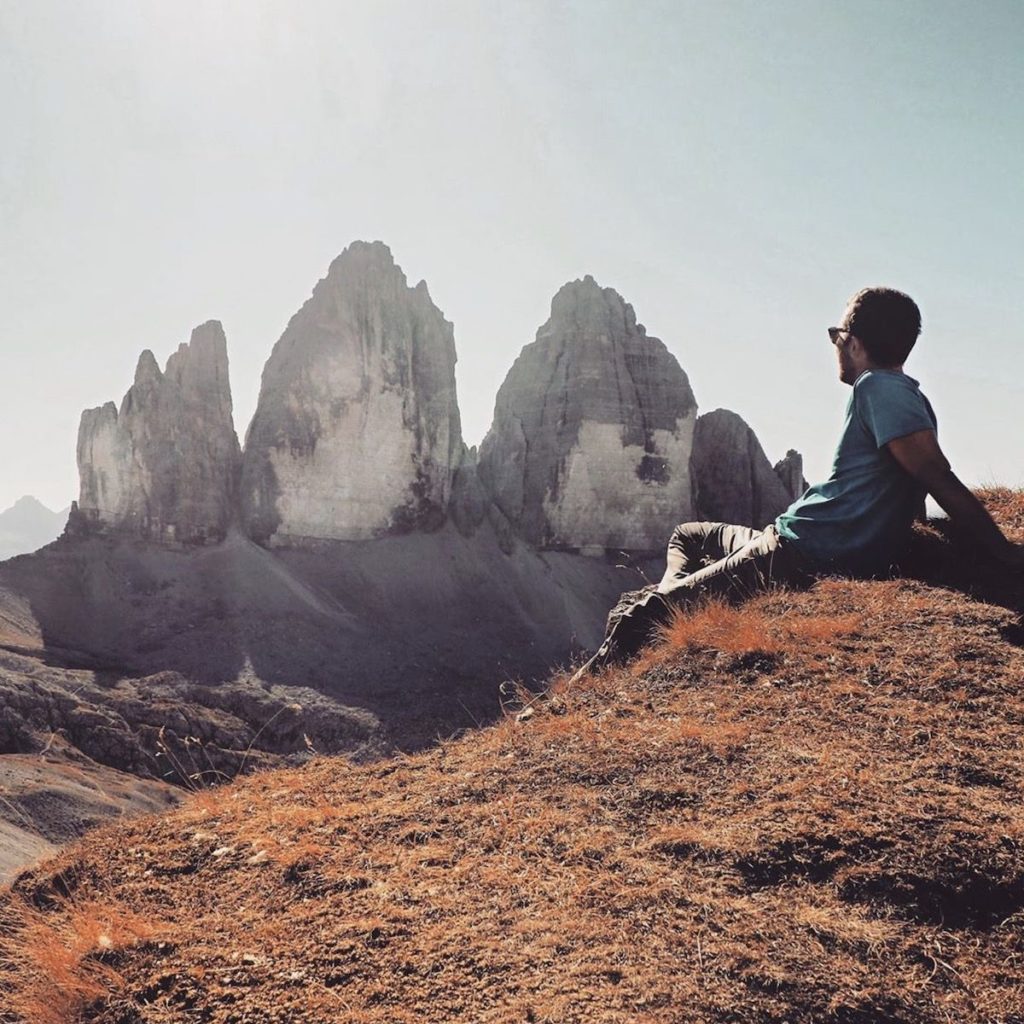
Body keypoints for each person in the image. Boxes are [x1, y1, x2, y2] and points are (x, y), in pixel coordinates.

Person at [580, 286, 1024, 675]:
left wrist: (1003, 554)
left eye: (836, 336)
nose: (833, 345)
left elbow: (936, 477)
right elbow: (914, 483)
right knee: (689, 536)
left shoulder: (877, 388)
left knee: (641, 616)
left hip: (798, 551)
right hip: (798, 540)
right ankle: (684, 592)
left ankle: (577, 695)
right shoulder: (905, 394)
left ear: (851, 342)